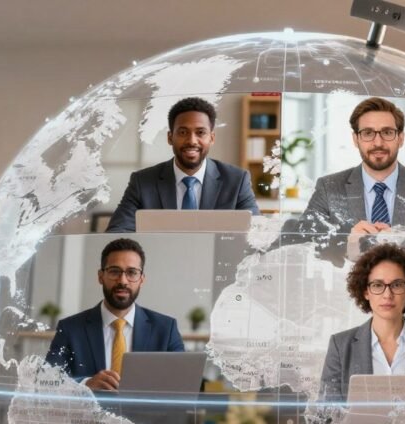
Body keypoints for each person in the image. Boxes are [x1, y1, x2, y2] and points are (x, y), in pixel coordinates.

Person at [299, 97, 405, 253]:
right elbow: (303, 245)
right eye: (368, 133)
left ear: (400, 138)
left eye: (387, 132)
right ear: (355, 139)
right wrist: (349, 246)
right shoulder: (329, 188)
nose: (378, 143)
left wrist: (402, 242)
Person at [46, 237, 184, 390]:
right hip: (90, 412)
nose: (123, 280)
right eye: (114, 272)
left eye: (132, 272)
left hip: (144, 414)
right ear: (100, 276)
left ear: (141, 279)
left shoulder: (166, 329)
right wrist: (85, 385)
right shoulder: (70, 328)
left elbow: (181, 385)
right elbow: (49, 381)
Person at [106, 97, 260, 232]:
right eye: (183, 132)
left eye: (200, 132)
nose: (192, 141)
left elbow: (257, 234)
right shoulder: (142, 181)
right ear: (170, 137)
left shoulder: (237, 180)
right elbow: (117, 231)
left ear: (211, 138)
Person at [321, 243, 405, 402]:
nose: (387, 295)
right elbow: (325, 411)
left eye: (396, 285)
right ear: (365, 292)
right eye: (377, 285)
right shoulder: (340, 345)